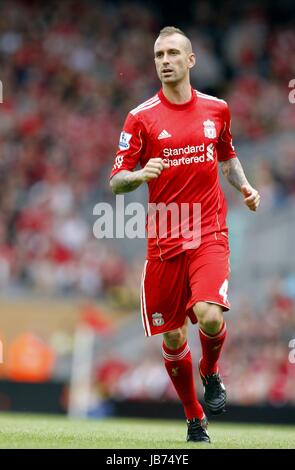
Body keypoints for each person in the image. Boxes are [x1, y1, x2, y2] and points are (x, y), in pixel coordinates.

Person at [110, 26, 260, 443]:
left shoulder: (217, 110)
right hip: (162, 243)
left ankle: (210, 371)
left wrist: (244, 186)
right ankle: (194, 417)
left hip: (208, 232)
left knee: (211, 316)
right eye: (159, 55)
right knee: (173, 334)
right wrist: (139, 174)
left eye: (173, 53)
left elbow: (227, 156)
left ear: (190, 60)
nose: (165, 61)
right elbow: (115, 181)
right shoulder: (140, 118)